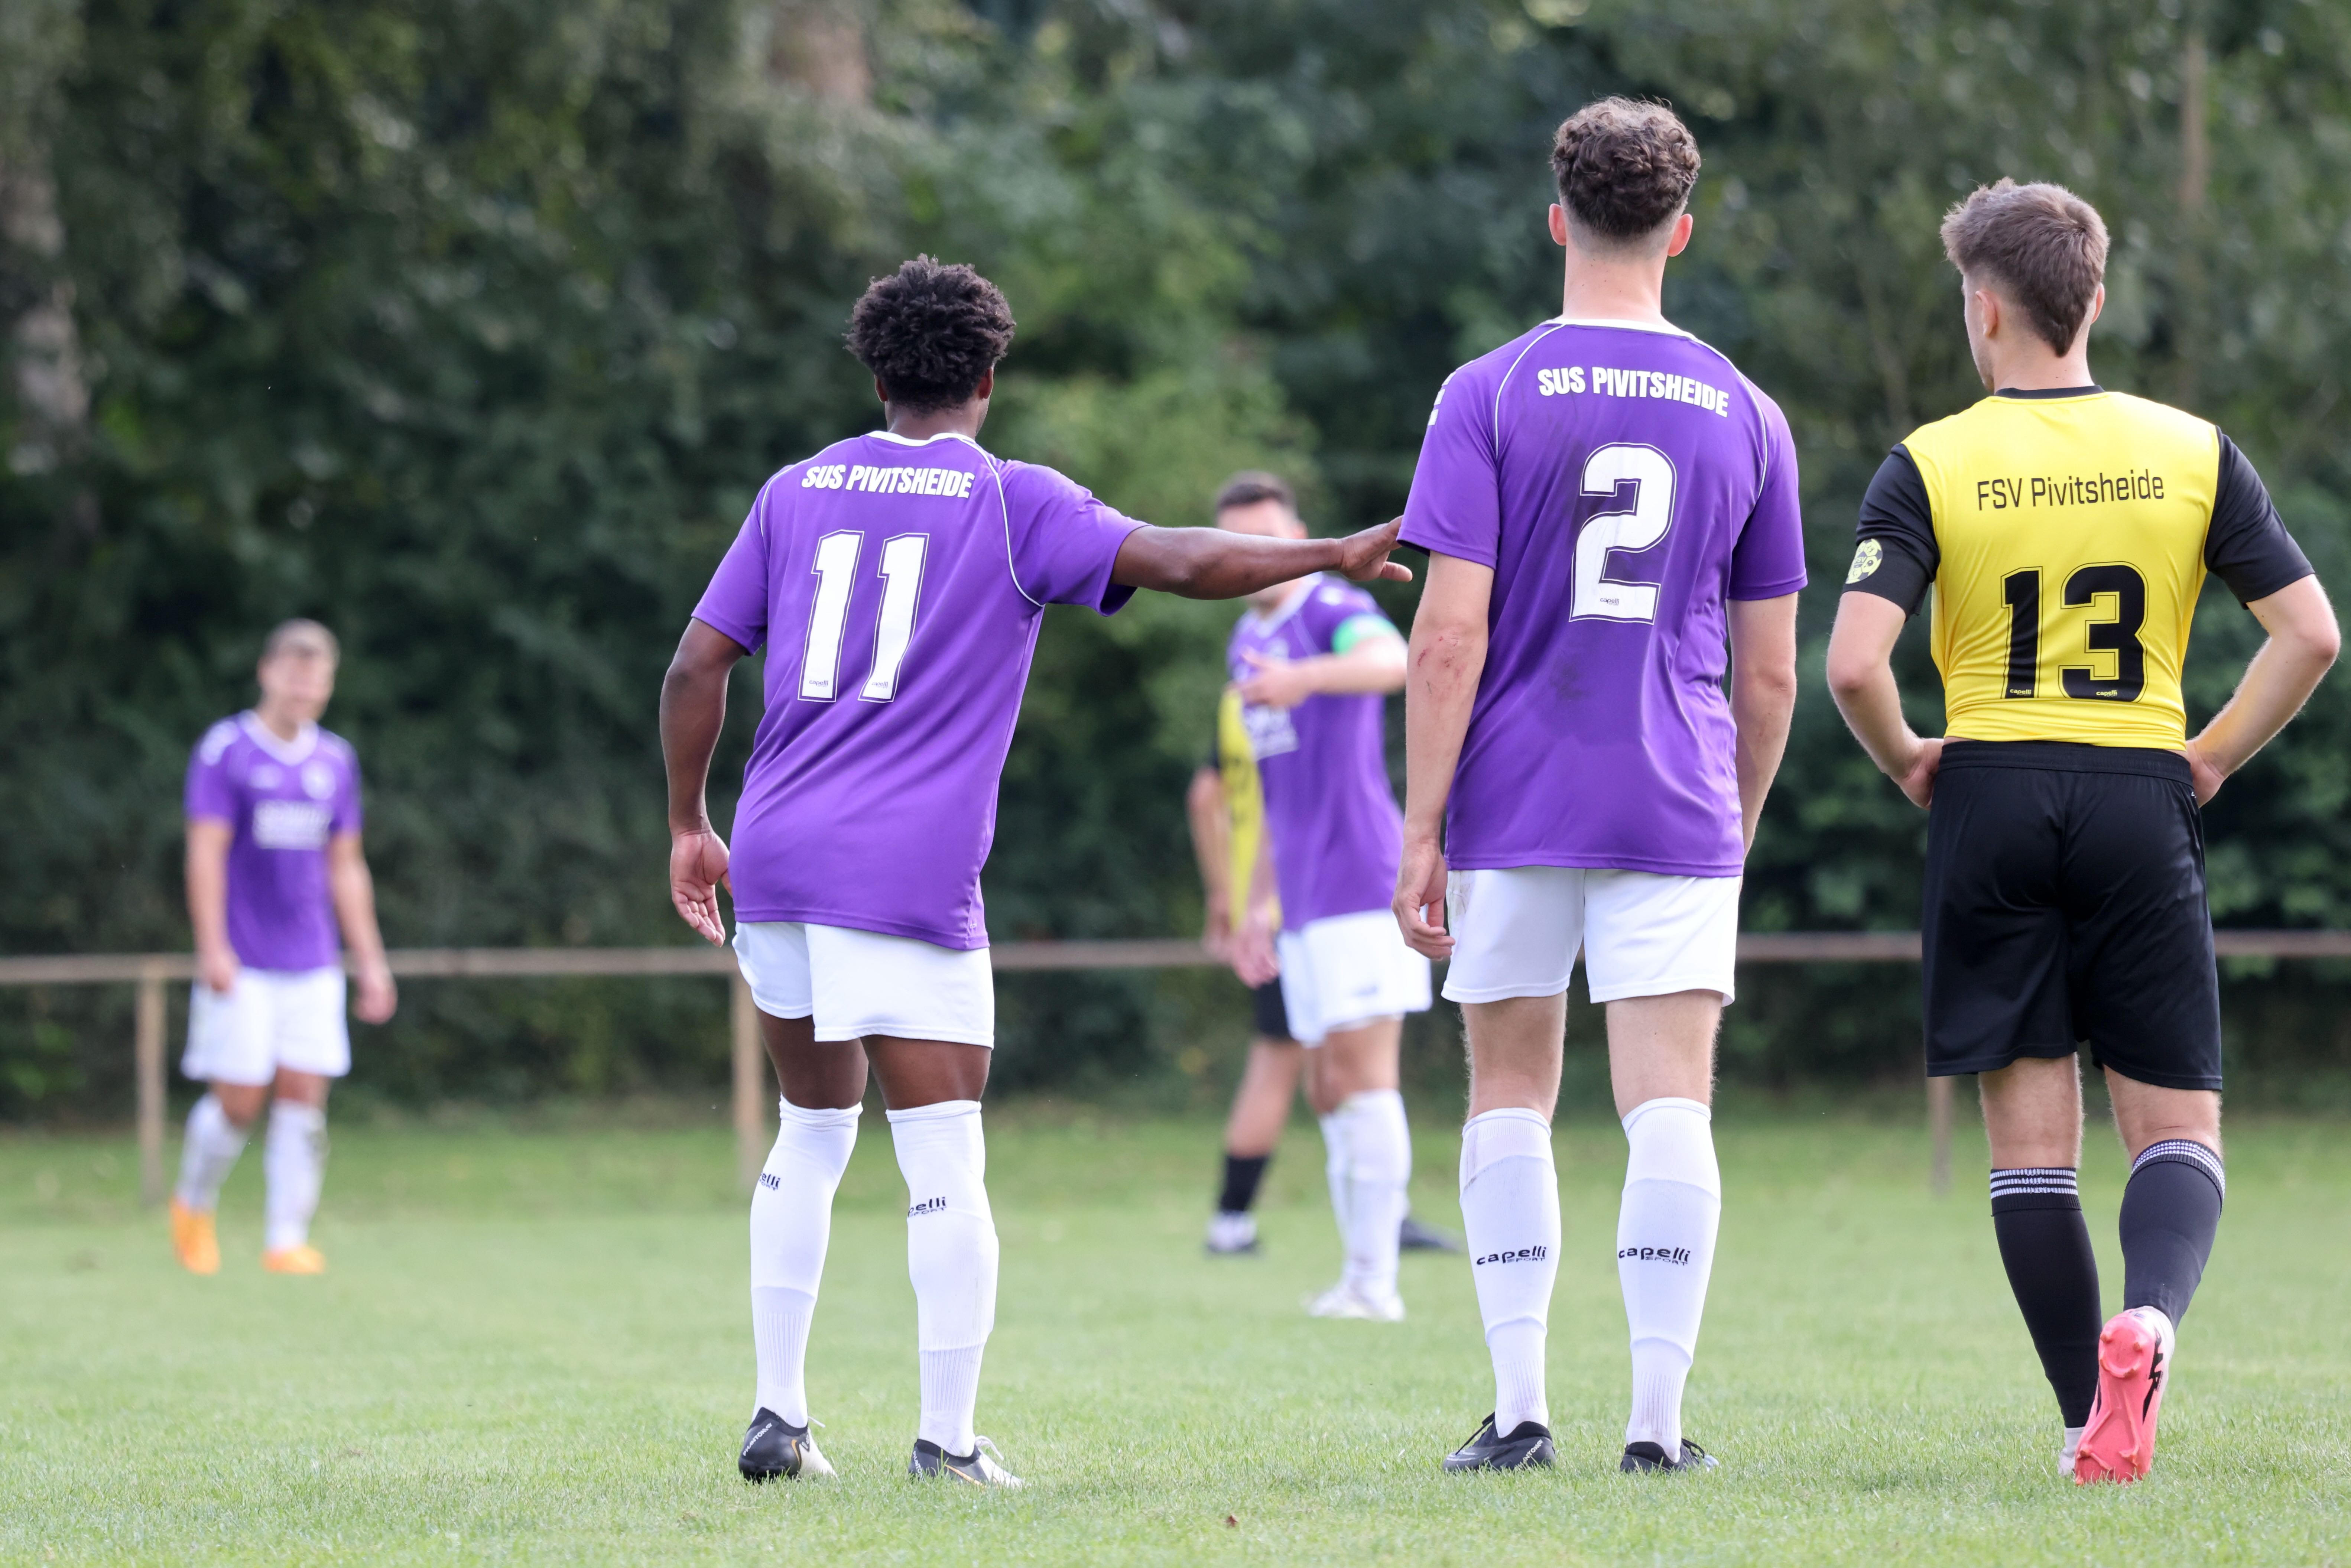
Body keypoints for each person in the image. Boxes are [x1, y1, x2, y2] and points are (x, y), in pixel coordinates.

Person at [661, 256, 1409, 1489]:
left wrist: (691, 820)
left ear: (877, 376)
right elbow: (1179, 560)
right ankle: (947, 1442)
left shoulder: (795, 490)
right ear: (989, 379)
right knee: (943, 1152)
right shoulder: (1012, 499)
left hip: (778, 852)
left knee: (811, 1126)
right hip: (903, 874)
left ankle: (778, 1415)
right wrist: (1329, 552)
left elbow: (698, 665)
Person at [1826, 179, 2337, 1485]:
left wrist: (1908, 757)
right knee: (2176, 1129)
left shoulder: (1929, 460)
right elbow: (2310, 635)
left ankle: (2081, 1424)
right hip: (2136, 790)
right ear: (2094, 301)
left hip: (1990, 786)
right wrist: (2210, 754)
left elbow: (1853, 665)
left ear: (1983, 309)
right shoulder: (2191, 449)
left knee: (2031, 1153)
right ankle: (2149, 1320)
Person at [1394, 99, 1804, 1474]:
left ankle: (1519, 1413)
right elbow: (1769, 677)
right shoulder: (1749, 410)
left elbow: (1446, 637)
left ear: (1557, 220)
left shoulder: (1487, 390)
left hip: (1511, 794)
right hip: (1677, 795)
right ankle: (1656, 1425)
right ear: (1681, 232)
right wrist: (1734, 819)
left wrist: (1419, 827)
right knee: (1669, 1100)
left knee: (1510, 1087)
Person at [1192, 475, 1458, 1267]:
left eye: (1271, 536)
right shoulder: (1248, 638)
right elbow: (1277, 796)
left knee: (1363, 1078)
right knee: (1327, 1086)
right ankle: (1361, 1271)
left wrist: (1304, 678)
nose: (1259, 553)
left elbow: (1392, 659)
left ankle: (1375, 1283)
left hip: (1359, 880)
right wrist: (1257, 905)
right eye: (1242, 541)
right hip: (1303, 897)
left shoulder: (1328, 608)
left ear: (1298, 534)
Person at [171, 619, 397, 1277]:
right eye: (295, 675)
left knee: (303, 1095)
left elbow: (346, 865)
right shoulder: (226, 751)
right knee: (240, 1100)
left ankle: (286, 1238)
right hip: (243, 958)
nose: (305, 690)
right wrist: (212, 946)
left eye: (317, 679)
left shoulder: (336, 760)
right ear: (267, 672)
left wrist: (370, 960)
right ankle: (193, 1204)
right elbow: (205, 852)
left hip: (313, 960)